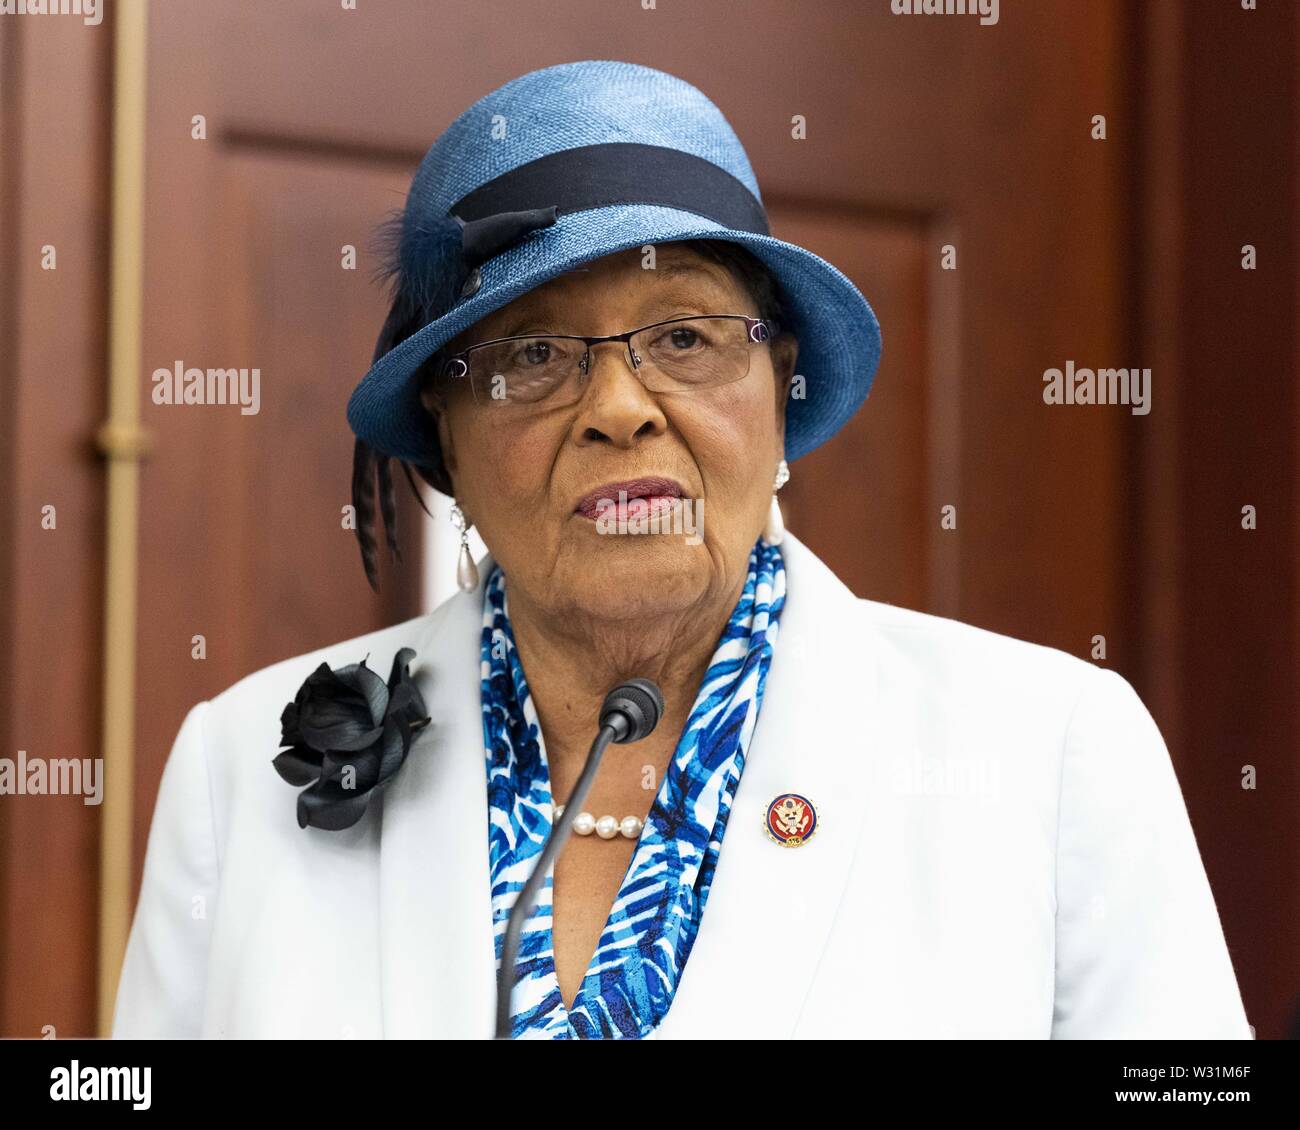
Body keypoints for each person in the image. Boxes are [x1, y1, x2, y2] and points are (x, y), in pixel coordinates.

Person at [112, 60, 1250, 1040]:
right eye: (534, 352)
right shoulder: (235, 773)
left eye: (686, 337)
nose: (619, 405)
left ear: (776, 391)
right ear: (445, 441)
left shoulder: (1049, 749)